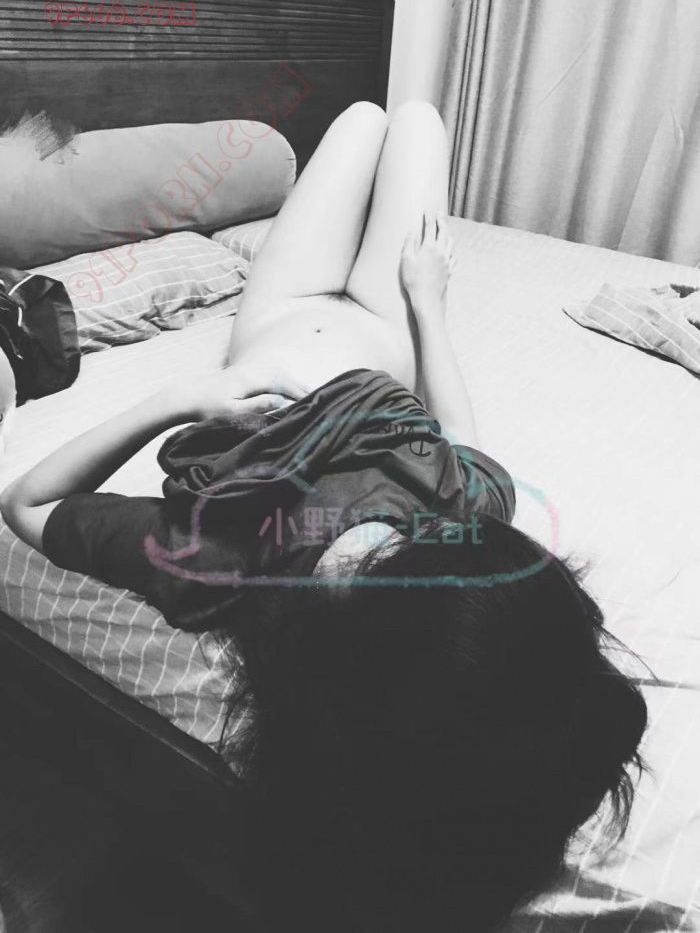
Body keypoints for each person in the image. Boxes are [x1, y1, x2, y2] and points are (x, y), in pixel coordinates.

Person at [0, 101, 647, 932]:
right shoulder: (464, 543)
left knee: (362, 121)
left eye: (374, 568)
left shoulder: (224, 561)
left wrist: (181, 398)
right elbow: (464, 448)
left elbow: (26, 502)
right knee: (412, 117)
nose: (384, 539)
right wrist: (429, 305)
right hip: (388, 327)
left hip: (278, 311)